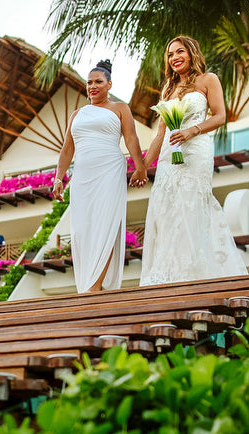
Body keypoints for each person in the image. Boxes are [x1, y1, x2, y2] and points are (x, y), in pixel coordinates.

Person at [139, 36, 248, 286]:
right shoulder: (168, 88)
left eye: (180, 52)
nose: (174, 57)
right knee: (166, 208)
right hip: (169, 154)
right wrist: (143, 167)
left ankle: (195, 273)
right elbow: (159, 135)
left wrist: (192, 131)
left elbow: (220, 116)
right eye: (170, 54)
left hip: (195, 149)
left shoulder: (208, 80)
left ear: (191, 53)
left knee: (191, 203)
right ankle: (168, 275)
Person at [53, 59, 149, 293]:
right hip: (82, 175)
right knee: (83, 229)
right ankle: (88, 281)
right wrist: (58, 177)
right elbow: (67, 149)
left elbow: (131, 138)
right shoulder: (77, 115)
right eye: (89, 82)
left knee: (105, 224)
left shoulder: (120, 109)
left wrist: (140, 167)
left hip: (109, 170)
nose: (92, 86)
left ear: (109, 85)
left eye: (98, 82)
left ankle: (96, 284)